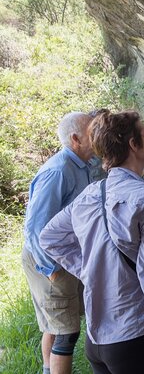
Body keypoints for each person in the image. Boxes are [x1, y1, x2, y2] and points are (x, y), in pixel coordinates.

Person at [39, 110, 144, 374]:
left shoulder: (91, 194)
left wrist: (89, 271)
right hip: (136, 336)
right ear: (133, 145)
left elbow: (50, 237)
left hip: (98, 338)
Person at [21, 111, 94, 374]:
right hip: (48, 259)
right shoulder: (59, 170)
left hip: (61, 255)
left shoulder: (81, 165)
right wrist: (50, 268)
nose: (97, 134)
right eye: (91, 131)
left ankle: (47, 370)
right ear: (75, 139)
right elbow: (35, 227)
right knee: (66, 331)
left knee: (55, 325)